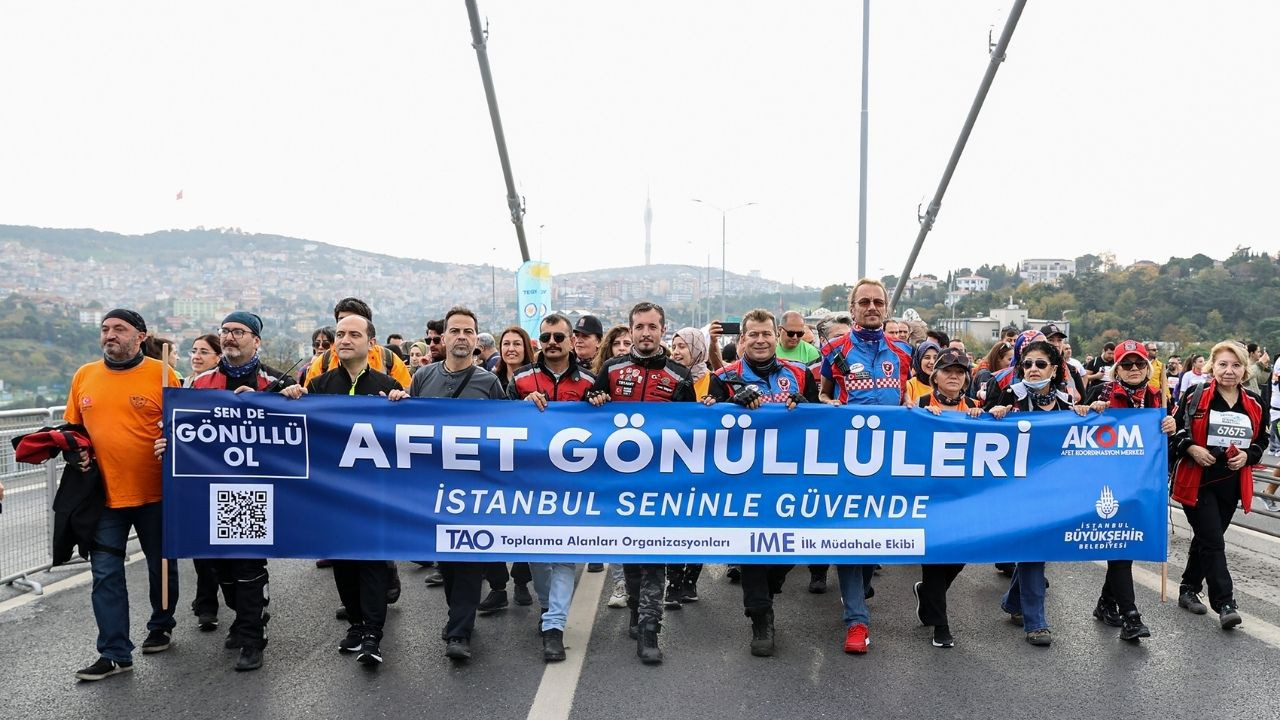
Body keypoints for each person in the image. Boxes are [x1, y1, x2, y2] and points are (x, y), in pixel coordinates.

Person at [283, 313, 408, 666]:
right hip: (333, 494)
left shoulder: (385, 386)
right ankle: (355, 624)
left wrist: (402, 403)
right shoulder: (320, 385)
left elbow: (407, 435)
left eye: (354, 334)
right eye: (340, 334)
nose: (345, 339)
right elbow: (299, 425)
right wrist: (290, 395)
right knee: (343, 561)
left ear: (371, 343)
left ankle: (373, 633)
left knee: (370, 560)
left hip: (373, 492)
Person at [67, 309, 180, 681]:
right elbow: (73, 431)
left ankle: (161, 624)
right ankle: (114, 653)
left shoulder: (163, 374)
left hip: (156, 493)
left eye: (119, 328)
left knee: (160, 565)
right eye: (105, 329)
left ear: (140, 336)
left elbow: (186, 432)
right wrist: (75, 450)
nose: (110, 334)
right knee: (104, 573)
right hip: (104, 497)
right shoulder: (84, 375)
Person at [702, 308, 817, 656]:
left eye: (766, 333)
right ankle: (760, 618)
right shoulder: (724, 375)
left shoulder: (799, 373)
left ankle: (772, 584)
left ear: (776, 335)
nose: (760, 340)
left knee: (793, 545)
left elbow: (820, 416)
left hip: (792, 477)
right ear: (742, 340)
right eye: (753, 334)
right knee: (752, 547)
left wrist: (806, 405)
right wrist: (728, 406)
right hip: (744, 480)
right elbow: (706, 421)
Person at [187, 311, 298, 671]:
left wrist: (285, 399)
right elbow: (182, 427)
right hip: (209, 487)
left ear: (256, 340)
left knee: (247, 564)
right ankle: (243, 617)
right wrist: (167, 443)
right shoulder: (200, 382)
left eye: (238, 331)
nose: (230, 337)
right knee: (219, 568)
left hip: (253, 490)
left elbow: (298, 431)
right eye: (225, 331)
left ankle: (253, 636)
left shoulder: (274, 383)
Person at [587, 301, 694, 664]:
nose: (645, 332)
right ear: (630, 330)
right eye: (639, 327)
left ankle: (650, 630)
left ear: (663, 330)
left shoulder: (680, 376)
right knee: (630, 559)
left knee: (654, 559)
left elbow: (694, 433)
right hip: (620, 485)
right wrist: (594, 397)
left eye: (652, 326)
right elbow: (589, 414)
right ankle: (635, 610)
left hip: (661, 486)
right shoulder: (612, 369)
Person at [816, 279, 912, 654]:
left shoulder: (903, 351)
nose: (871, 307)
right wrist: (827, 404)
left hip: (890, 460)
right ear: (852, 307)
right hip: (848, 460)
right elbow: (823, 392)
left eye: (878, 302)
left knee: (874, 537)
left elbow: (906, 396)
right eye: (864, 302)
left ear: (886, 308)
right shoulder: (835, 349)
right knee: (849, 537)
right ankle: (857, 621)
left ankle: (861, 585)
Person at [408, 306, 507, 661]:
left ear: (476, 340)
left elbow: (507, 432)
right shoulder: (423, 378)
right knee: (446, 561)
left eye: (469, 331)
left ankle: (459, 630)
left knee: (467, 558)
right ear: (444, 337)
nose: (462, 337)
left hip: (474, 490)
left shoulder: (489, 382)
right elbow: (408, 426)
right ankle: (458, 615)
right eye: (456, 331)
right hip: (434, 488)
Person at [507, 313, 597, 662]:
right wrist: (520, 407)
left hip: (574, 486)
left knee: (563, 557)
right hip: (530, 483)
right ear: (539, 341)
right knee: (536, 555)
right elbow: (498, 421)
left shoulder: (590, 380)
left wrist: (599, 404)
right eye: (546, 337)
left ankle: (554, 627)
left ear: (571, 339)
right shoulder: (521, 379)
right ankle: (548, 608)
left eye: (559, 337)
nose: (552, 343)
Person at [986, 340, 1087, 647]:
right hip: (1016, 489)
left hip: (1052, 490)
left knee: (1038, 548)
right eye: (1027, 364)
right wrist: (994, 414)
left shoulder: (1065, 401)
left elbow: (1078, 434)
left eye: (1040, 364)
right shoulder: (1008, 395)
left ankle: (1013, 602)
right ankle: (1036, 622)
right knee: (1034, 549)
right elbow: (980, 427)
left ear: (1054, 369)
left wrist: (1087, 412)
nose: (1033, 369)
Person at [1077, 340, 1175, 642]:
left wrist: (1171, 426)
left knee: (1124, 547)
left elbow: (1165, 447)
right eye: (1127, 365)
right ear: (1116, 369)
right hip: (1108, 485)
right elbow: (1074, 424)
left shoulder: (1158, 399)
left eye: (1139, 364)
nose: (1134, 370)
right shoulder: (1100, 395)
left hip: (1141, 486)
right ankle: (1131, 616)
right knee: (1120, 547)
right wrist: (1088, 411)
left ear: (1148, 367)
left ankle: (1106, 603)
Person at [1171, 341, 1266, 630]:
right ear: (1213, 366)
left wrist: (1248, 456)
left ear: (1244, 369)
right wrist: (1191, 448)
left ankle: (1188, 587)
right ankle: (1225, 602)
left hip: (1231, 483)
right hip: (1197, 481)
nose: (1229, 371)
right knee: (1213, 540)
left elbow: (1260, 441)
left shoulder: (1254, 402)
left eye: (1236, 365)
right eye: (1223, 364)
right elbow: (1174, 431)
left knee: (1206, 538)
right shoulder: (1195, 395)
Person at [911, 348, 983, 649]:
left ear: (966, 378)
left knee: (960, 556)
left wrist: (992, 416)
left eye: (960, 371)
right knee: (936, 557)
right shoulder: (921, 404)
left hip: (966, 498)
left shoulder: (978, 407)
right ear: (934, 376)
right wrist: (921, 418)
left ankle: (927, 594)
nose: (954, 375)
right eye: (947, 370)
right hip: (932, 496)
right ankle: (940, 624)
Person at [664, 326, 714, 607]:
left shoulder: (712, 379)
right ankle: (673, 585)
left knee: (698, 524)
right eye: (674, 345)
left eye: (683, 346)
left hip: (705, 464)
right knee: (675, 523)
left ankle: (690, 580)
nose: (677, 351)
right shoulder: (668, 378)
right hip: (675, 462)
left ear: (697, 348)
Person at [588, 322, 637, 598]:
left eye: (627, 344)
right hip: (608, 465)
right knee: (617, 524)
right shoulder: (601, 377)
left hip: (644, 464)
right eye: (617, 344)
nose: (621, 349)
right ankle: (621, 583)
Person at [184, 333, 225, 631]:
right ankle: (206, 601)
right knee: (201, 543)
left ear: (217, 358)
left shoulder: (223, 387)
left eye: (204, 352)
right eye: (193, 351)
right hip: (196, 478)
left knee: (224, 550)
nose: (196, 356)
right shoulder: (184, 385)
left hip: (223, 475)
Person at [302, 298, 412, 389]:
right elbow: (308, 402)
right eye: (341, 320)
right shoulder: (323, 362)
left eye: (354, 333)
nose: (347, 324)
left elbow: (406, 401)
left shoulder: (388, 360)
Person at [1039, 324, 1084, 401]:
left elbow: (1083, 400)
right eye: (1050, 340)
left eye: (1059, 340)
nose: (1056, 344)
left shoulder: (1072, 370)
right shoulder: (1031, 367)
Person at [494, 325, 534, 392]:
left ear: (526, 348)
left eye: (517, 344)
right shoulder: (493, 380)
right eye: (506, 343)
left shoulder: (538, 379)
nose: (511, 349)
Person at [903, 341, 941, 406]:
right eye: (927, 357)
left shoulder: (944, 386)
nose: (932, 362)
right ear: (919, 360)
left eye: (935, 358)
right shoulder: (910, 386)